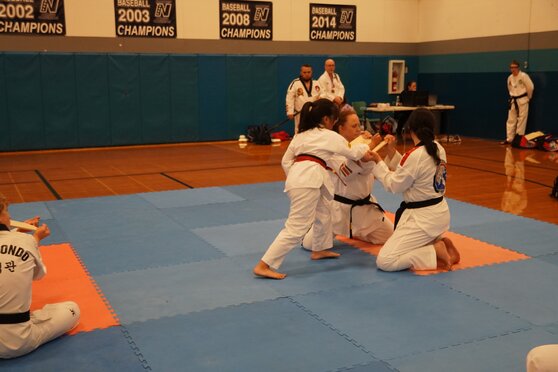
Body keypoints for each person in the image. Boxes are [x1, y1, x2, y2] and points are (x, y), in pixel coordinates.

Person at [253, 99, 376, 280]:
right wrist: (367, 143)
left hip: (303, 177)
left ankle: (319, 249)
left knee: (324, 210)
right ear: (326, 119)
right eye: (333, 119)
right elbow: (353, 153)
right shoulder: (328, 135)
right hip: (307, 179)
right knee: (297, 226)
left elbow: (285, 161)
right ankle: (264, 264)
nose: (334, 123)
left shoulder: (300, 135)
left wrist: (295, 176)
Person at [368, 108, 460, 272]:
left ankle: (434, 251)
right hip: (439, 214)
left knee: (385, 261)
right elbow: (412, 173)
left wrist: (378, 162)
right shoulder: (438, 148)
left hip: (422, 219)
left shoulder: (415, 155)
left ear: (410, 129)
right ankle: (435, 241)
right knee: (401, 248)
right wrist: (391, 151)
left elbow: (394, 185)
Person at [0, 193, 80, 359]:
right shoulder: (25, 241)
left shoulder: (21, 239)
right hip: (17, 342)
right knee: (72, 309)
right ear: (2, 215)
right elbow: (37, 275)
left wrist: (17, 233)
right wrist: (35, 239)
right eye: (7, 212)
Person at [302, 110, 394, 248]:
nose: (359, 130)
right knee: (310, 245)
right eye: (354, 126)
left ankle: (358, 232)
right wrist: (370, 147)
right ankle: (313, 226)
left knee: (392, 238)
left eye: (359, 125)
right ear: (341, 128)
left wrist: (388, 148)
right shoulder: (333, 149)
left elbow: (381, 169)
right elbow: (345, 173)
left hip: (365, 210)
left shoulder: (364, 144)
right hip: (339, 210)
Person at [501, 60, 534, 145]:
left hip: (522, 99)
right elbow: (509, 88)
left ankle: (518, 139)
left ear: (518, 68)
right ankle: (509, 139)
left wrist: (528, 97)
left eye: (514, 67)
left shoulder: (523, 76)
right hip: (513, 99)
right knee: (511, 120)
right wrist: (512, 96)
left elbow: (530, 87)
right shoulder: (510, 78)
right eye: (511, 67)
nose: (513, 69)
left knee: (522, 119)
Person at [286, 64, 322, 134]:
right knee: (300, 131)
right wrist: (289, 111)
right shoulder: (295, 83)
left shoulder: (316, 83)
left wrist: (320, 98)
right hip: (300, 113)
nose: (307, 74)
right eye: (304, 72)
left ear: (311, 72)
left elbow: (322, 94)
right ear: (301, 72)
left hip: (313, 113)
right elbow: (289, 97)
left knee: (314, 131)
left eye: (309, 72)